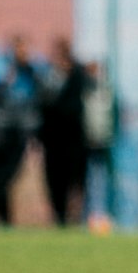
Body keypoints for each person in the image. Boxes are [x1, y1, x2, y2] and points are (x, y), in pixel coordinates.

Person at [0, 36, 43, 225]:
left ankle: (2, 215)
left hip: (21, 132)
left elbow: (39, 100)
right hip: (0, 131)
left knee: (11, 174)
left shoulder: (32, 73)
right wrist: (4, 80)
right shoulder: (2, 70)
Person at [39, 38, 88, 226]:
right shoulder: (48, 77)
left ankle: (74, 217)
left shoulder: (78, 76)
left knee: (74, 180)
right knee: (54, 179)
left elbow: (74, 107)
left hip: (74, 140)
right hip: (52, 140)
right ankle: (59, 217)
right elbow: (43, 106)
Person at [83, 60, 119, 226]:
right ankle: (90, 216)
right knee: (90, 181)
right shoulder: (84, 92)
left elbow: (115, 117)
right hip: (88, 143)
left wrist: (112, 136)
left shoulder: (108, 92)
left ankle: (108, 216)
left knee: (107, 180)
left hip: (106, 142)